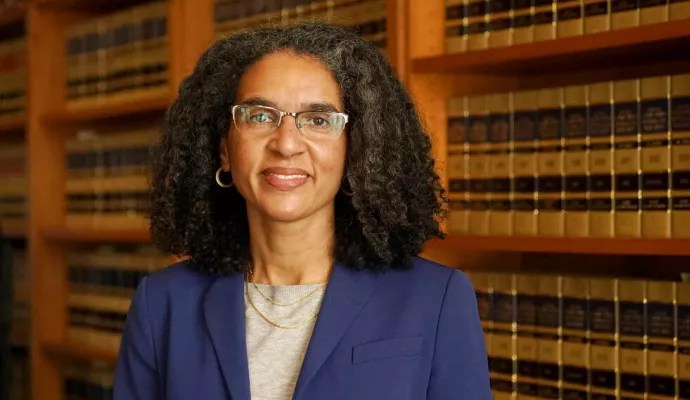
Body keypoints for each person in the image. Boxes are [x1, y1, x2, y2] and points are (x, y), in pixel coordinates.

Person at [114, 22, 491, 400]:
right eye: (260, 116)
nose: (287, 144)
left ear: (355, 150)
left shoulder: (436, 299)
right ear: (224, 149)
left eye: (318, 120)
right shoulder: (161, 304)